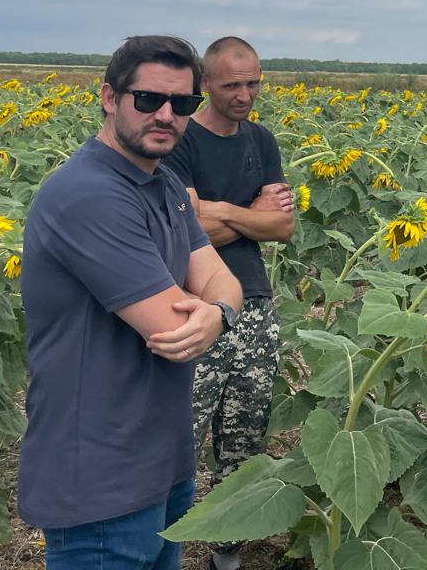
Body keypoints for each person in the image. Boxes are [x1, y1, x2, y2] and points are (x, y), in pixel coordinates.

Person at [19, 35, 243, 570]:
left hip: (161, 460)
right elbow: (172, 331)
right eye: (148, 100)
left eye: (182, 103)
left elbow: (221, 279)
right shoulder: (90, 194)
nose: (166, 114)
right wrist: (210, 310)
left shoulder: (162, 183)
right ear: (108, 97)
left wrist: (218, 312)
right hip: (100, 473)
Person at [160, 37, 293, 570]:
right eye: (233, 84)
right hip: (194, 306)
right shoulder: (180, 140)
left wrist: (218, 211)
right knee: (181, 437)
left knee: (245, 437)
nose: (244, 94)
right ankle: (159, 544)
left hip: (255, 305)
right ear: (206, 85)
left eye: (253, 82)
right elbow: (180, 234)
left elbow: (282, 225)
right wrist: (248, 212)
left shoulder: (261, 141)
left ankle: (227, 552)